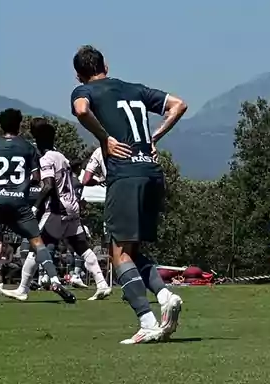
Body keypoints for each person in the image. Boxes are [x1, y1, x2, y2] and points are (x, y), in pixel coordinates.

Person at [70, 46, 187, 342]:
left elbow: (82, 110)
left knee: (118, 254)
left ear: (78, 76)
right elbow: (179, 105)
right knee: (131, 253)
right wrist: (154, 137)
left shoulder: (84, 91)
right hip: (152, 172)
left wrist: (104, 138)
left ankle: (147, 322)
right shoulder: (134, 89)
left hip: (125, 176)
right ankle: (164, 296)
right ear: (105, 65)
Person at [0, 118, 110, 301]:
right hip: (72, 207)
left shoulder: (46, 159)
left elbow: (49, 185)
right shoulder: (61, 157)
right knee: (81, 247)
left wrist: (35, 207)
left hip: (58, 210)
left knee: (37, 245)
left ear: (38, 140)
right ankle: (102, 284)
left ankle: (23, 289)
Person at [0, 109, 76, 304]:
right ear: (19, 125)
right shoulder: (27, 148)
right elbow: (36, 178)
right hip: (19, 202)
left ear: (1, 125)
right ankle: (54, 279)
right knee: (38, 242)